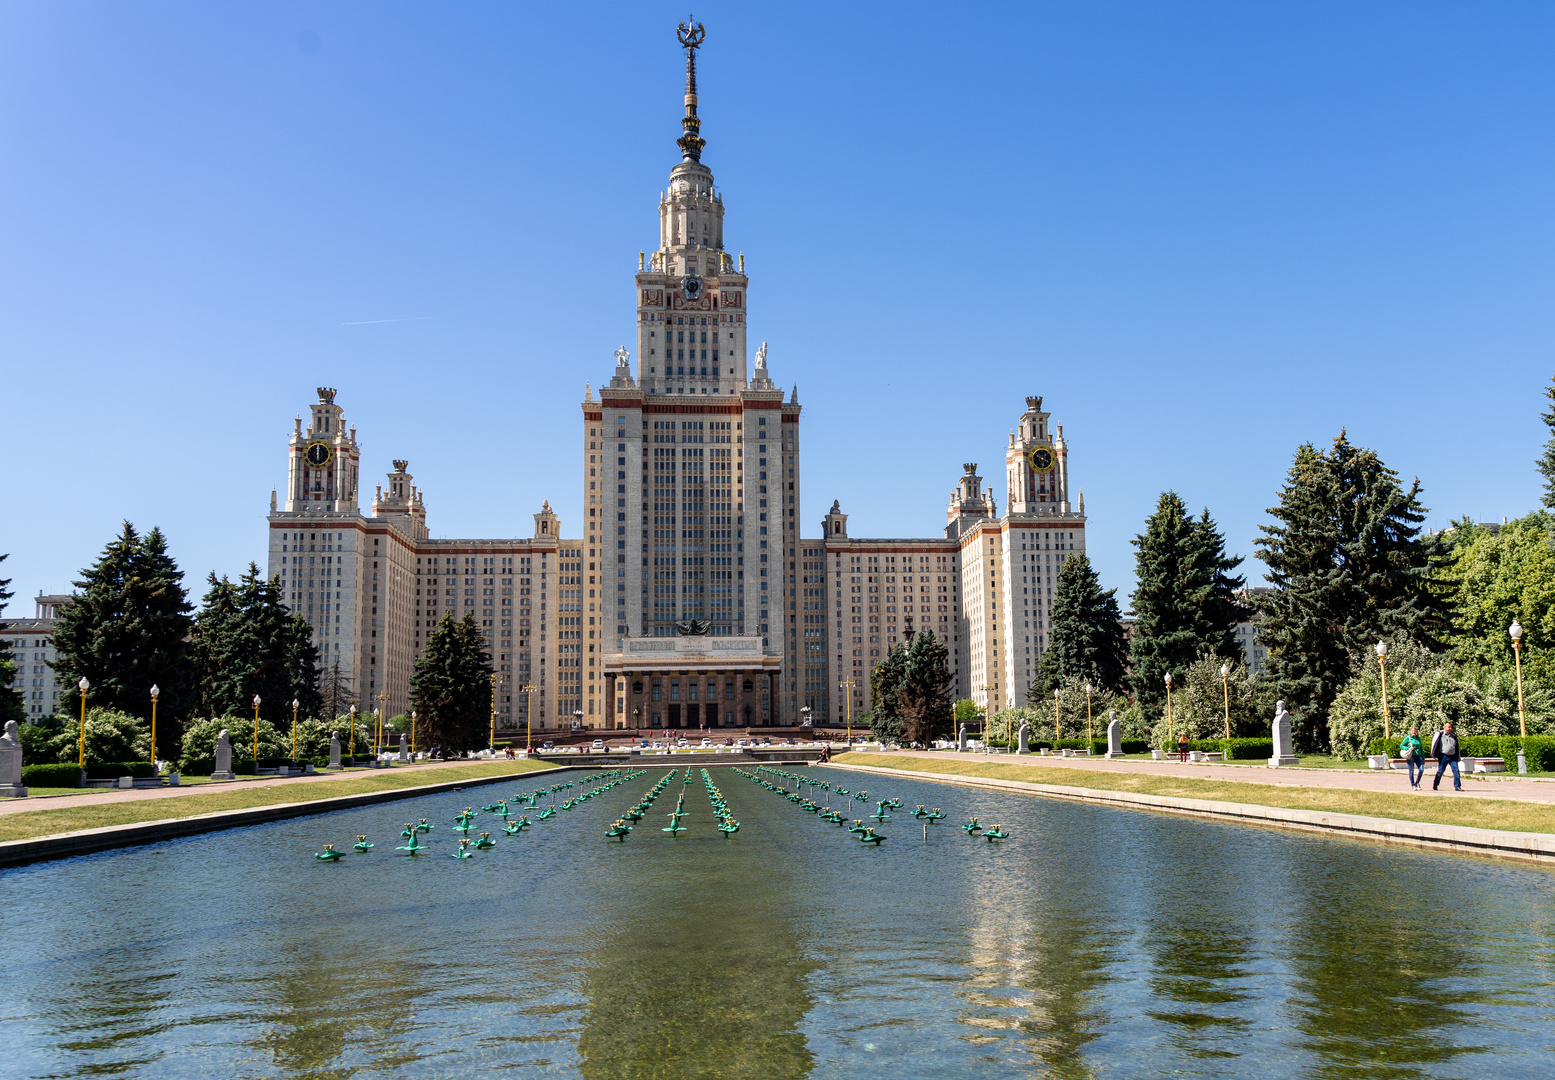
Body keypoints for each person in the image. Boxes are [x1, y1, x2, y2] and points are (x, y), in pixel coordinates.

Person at [1430, 721, 1463, 792]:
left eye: (1451, 727)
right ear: (1445, 727)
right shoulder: (1439, 734)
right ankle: (1435, 784)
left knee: (1456, 771)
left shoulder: (1454, 736)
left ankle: (1457, 786)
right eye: (1449, 727)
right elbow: (1434, 743)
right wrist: (1433, 754)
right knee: (1440, 771)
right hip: (1443, 756)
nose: (1450, 728)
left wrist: (1458, 756)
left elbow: (1457, 746)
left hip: (1453, 756)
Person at [1399, 725, 1425, 790]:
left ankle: (1417, 783)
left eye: (1415, 731)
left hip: (1419, 755)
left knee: (1421, 769)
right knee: (1411, 771)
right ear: (1410, 731)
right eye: (1412, 731)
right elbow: (1401, 745)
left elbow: (1421, 748)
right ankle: (1413, 785)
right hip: (1411, 756)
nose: (1413, 732)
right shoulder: (1408, 738)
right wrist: (1408, 748)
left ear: (1416, 731)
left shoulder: (1418, 738)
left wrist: (1423, 757)